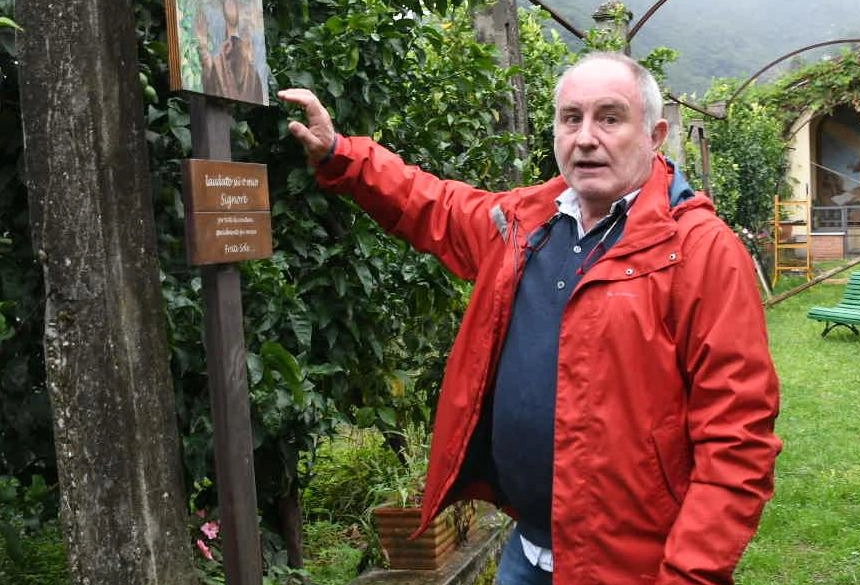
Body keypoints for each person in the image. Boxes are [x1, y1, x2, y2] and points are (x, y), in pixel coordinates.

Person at [279, 52, 781, 585]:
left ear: (655, 135)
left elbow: (738, 437)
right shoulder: (525, 223)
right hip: (527, 552)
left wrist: (689, 574)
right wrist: (342, 155)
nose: (586, 137)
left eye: (610, 118)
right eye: (571, 118)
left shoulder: (699, 252)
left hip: (631, 568)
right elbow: (435, 205)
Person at [196, 0, 265, 104]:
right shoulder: (219, 56)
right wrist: (203, 45)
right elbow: (210, 79)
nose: (235, 5)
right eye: (230, 1)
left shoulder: (252, 73)